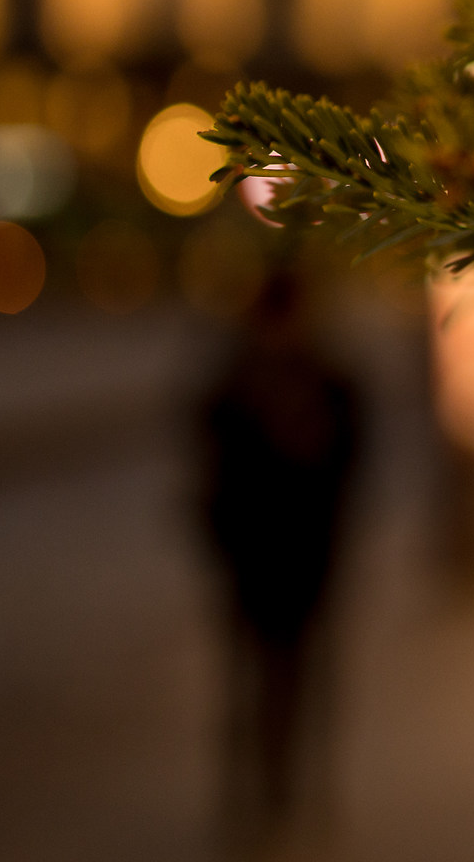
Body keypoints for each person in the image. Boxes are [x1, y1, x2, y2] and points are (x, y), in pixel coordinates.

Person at [193, 263, 362, 856]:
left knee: (299, 680)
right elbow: (209, 467)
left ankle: (289, 793)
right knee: (253, 683)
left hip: (305, 560)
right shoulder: (237, 384)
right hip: (256, 561)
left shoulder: (329, 382)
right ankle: (259, 795)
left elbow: (352, 466)